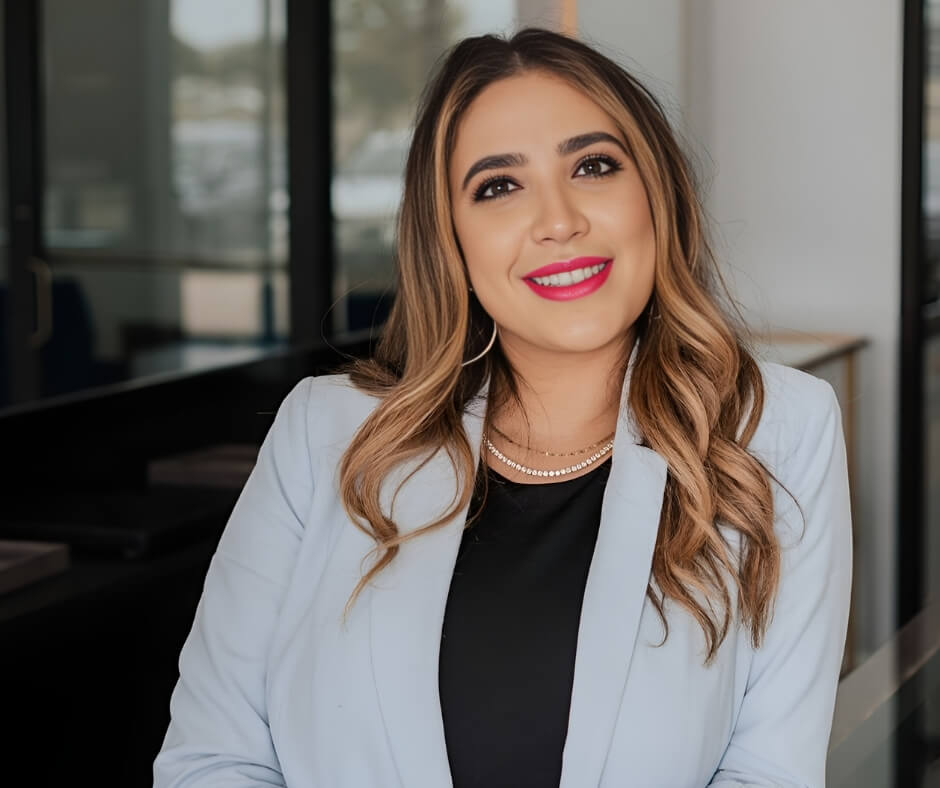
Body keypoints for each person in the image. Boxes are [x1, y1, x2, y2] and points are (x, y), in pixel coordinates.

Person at [153, 27, 852, 788]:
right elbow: (213, 759)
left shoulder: (777, 431)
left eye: (594, 166)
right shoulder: (326, 433)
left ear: (657, 193)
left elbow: (768, 771)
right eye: (498, 186)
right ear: (449, 239)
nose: (558, 220)